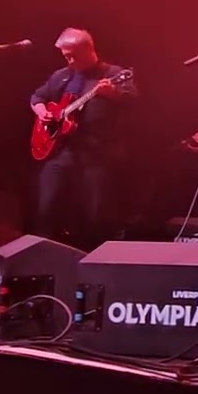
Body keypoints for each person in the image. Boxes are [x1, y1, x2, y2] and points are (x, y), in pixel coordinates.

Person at [30, 27, 138, 250]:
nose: (69, 60)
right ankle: (44, 255)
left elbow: (133, 100)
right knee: (47, 205)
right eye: (66, 56)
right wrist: (43, 113)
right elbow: (37, 97)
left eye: (73, 55)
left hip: (98, 153)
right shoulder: (61, 76)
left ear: (89, 50)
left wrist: (112, 93)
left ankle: (94, 257)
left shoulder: (113, 73)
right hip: (62, 152)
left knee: (95, 212)